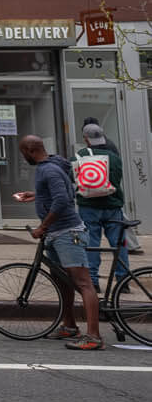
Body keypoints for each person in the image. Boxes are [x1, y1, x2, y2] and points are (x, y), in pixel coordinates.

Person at [13, 134, 102, 350]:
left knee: (83, 283)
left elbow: (63, 200)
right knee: (63, 281)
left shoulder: (49, 169)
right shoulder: (52, 166)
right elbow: (66, 191)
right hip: (56, 233)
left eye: (24, 153)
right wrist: (36, 195)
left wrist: (42, 226)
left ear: (31, 151)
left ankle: (94, 337)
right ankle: (69, 326)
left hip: (67, 232)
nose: (24, 157)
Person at [75, 122, 131, 294]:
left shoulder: (81, 155)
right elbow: (116, 180)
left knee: (91, 243)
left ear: (86, 138)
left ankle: (93, 280)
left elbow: (73, 177)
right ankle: (124, 281)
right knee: (119, 243)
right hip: (113, 207)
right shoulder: (114, 157)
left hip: (89, 207)